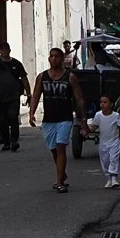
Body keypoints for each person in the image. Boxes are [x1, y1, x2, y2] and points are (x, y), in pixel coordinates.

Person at [27, 45, 88, 194]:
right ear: (49, 59)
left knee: (61, 147)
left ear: (62, 59)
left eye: (57, 56)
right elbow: (35, 96)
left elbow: (79, 99)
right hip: (48, 119)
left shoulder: (70, 77)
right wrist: (32, 113)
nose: (54, 59)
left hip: (64, 118)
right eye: (51, 56)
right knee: (54, 150)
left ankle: (60, 182)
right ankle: (62, 173)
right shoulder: (42, 77)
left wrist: (83, 119)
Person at [92, 93, 120, 189]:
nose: (103, 104)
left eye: (105, 102)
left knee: (114, 159)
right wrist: (86, 130)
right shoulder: (98, 115)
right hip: (103, 144)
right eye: (101, 102)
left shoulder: (116, 115)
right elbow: (94, 126)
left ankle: (114, 179)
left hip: (114, 142)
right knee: (105, 162)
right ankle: (109, 179)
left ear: (111, 104)